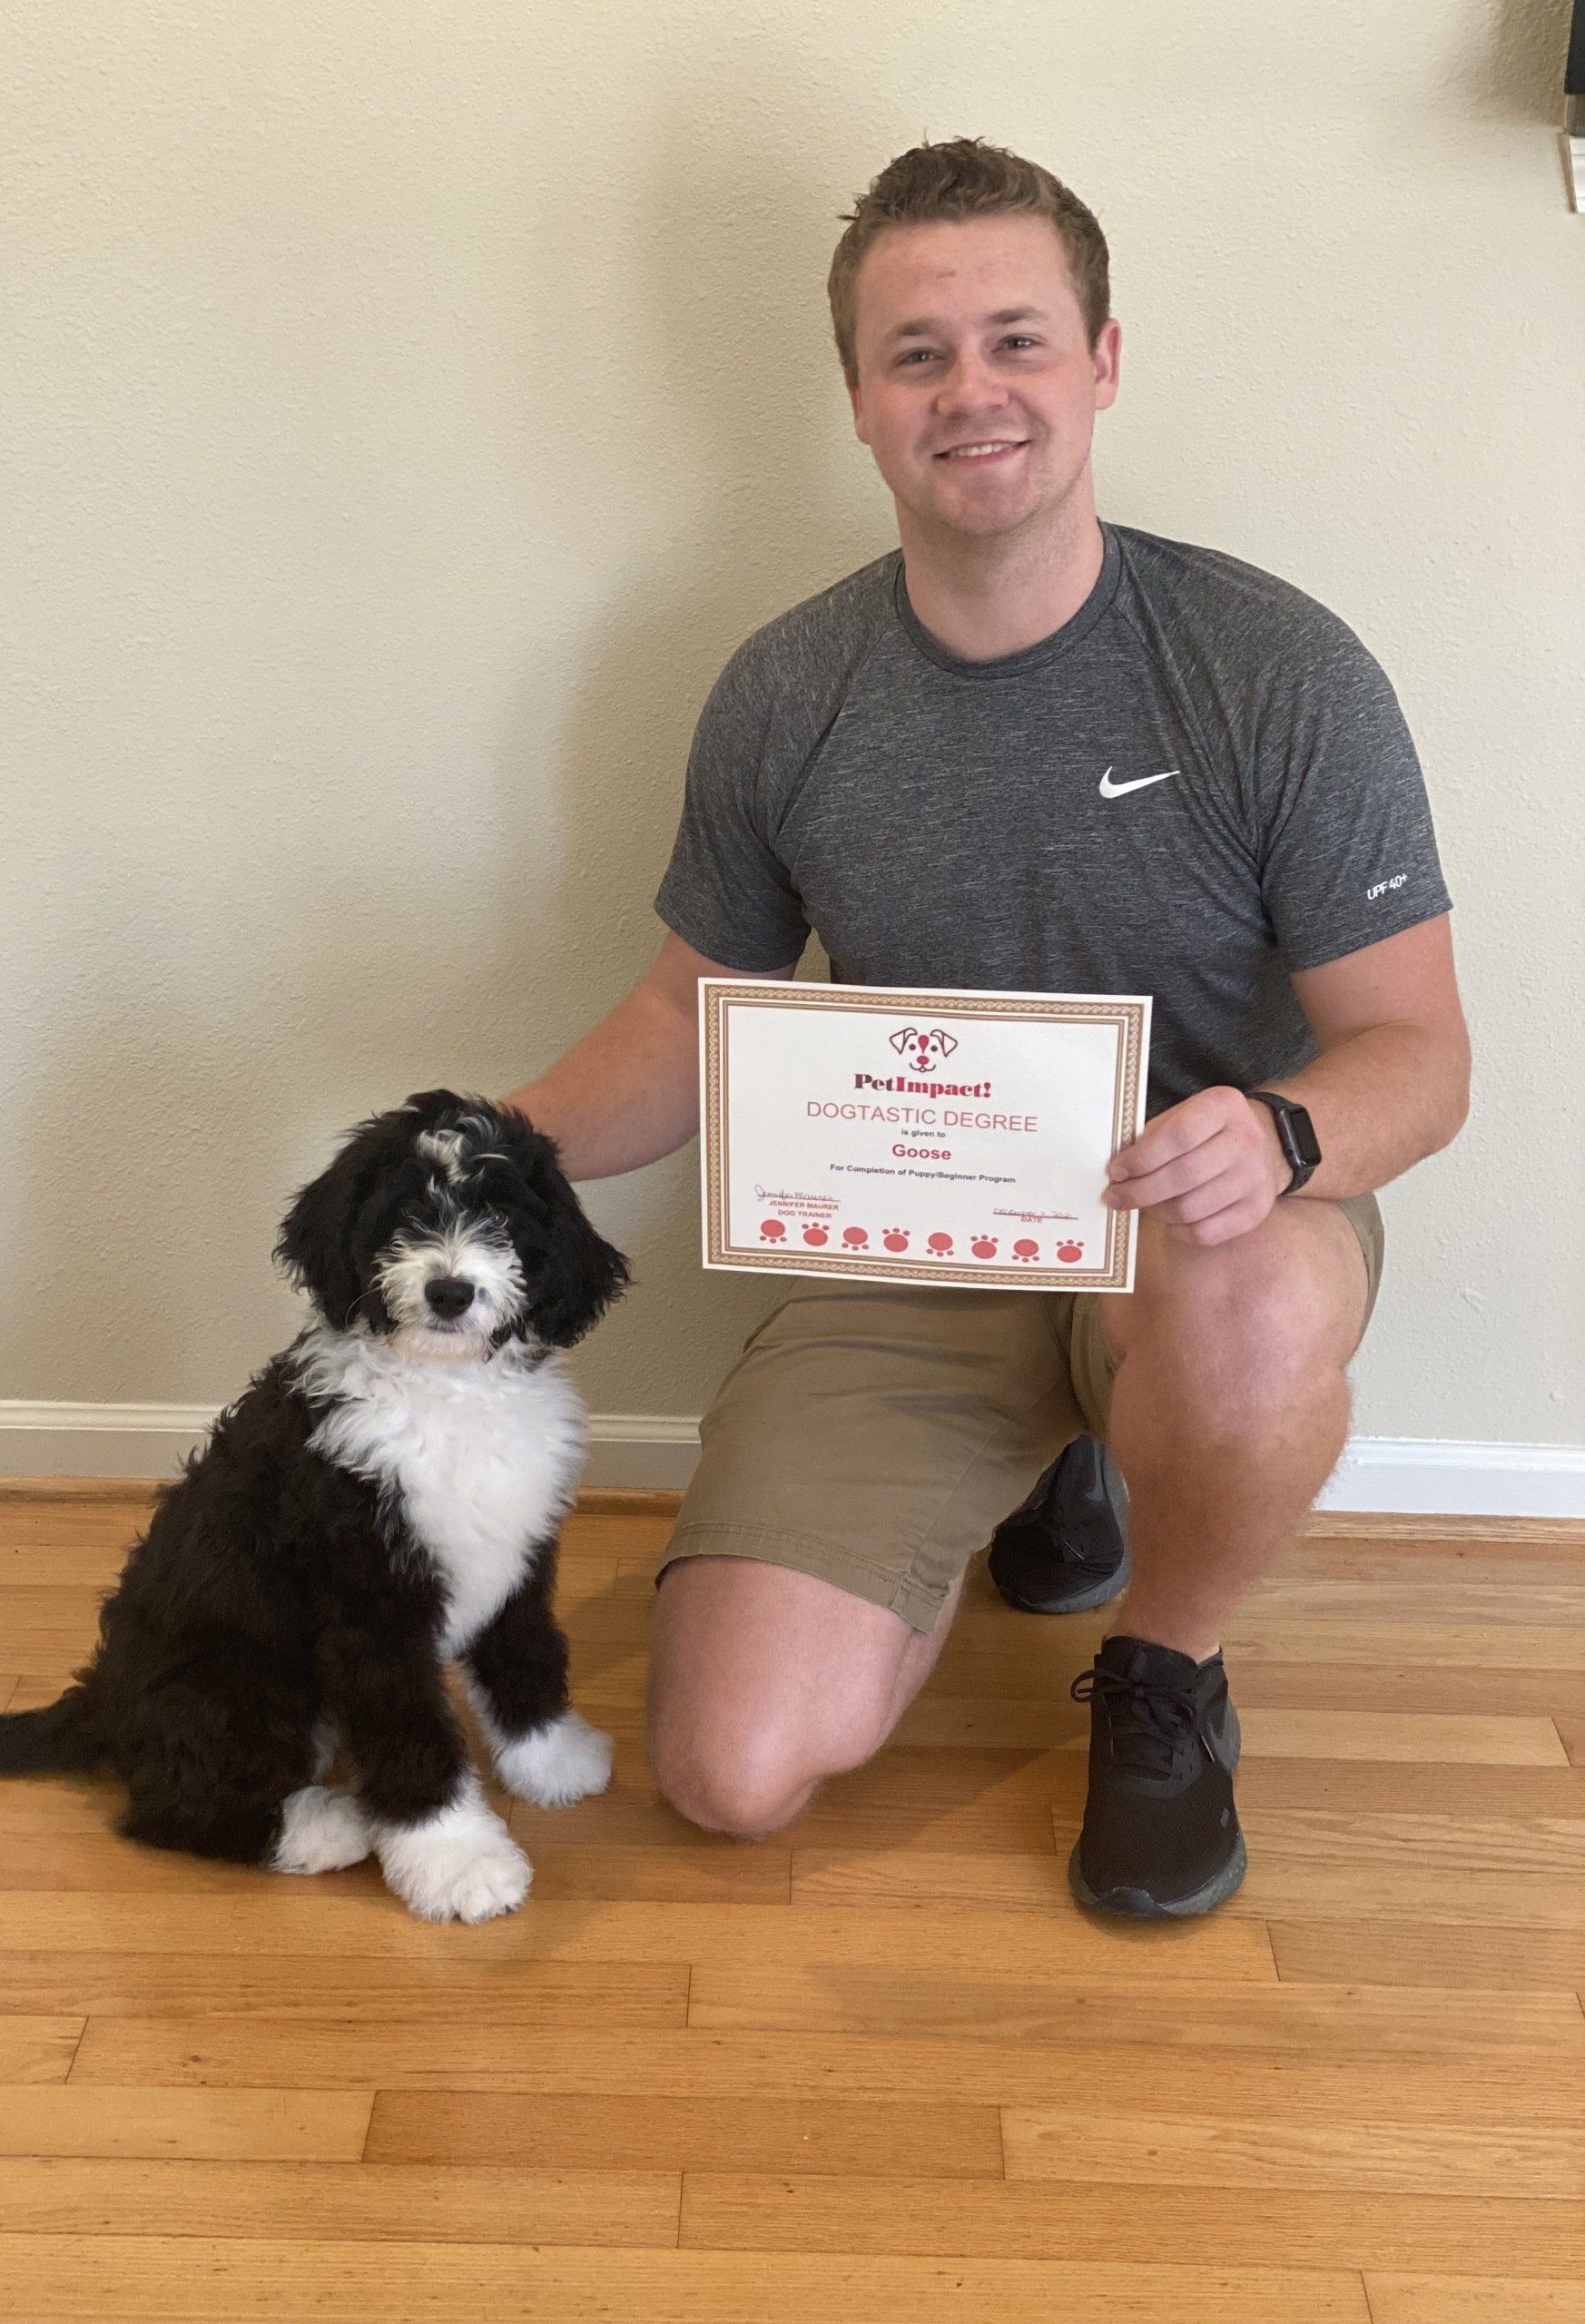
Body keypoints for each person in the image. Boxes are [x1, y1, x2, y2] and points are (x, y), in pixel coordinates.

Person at [502, 136, 1470, 1917]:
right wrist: (483, 1151)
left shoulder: (1278, 670)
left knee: (1239, 1301)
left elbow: (1419, 1050)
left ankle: (1164, 1674)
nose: (974, 391)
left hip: (1207, 1231)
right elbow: (682, 1014)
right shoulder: (786, 690)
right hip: (912, 1248)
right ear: (860, 401)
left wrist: (1279, 1133)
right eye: (919, 354)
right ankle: (1052, 1469)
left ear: (1103, 362)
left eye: (1019, 339)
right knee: (727, 1771)